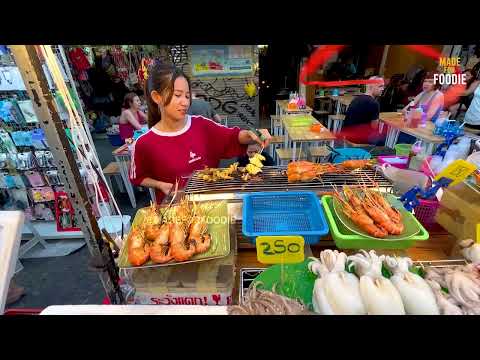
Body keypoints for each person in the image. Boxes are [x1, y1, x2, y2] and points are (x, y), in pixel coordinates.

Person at [129, 62, 271, 203]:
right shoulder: (144, 143)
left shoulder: (201, 125)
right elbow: (138, 177)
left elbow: (233, 136)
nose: (185, 102)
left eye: (187, 96)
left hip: (211, 205)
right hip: (175, 212)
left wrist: (253, 133)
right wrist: (160, 185)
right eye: (178, 95)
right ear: (157, 97)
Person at [340, 76, 385, 144]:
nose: (383, 89)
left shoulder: (356, 99)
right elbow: (374, 127)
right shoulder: (374, 103)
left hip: (347, 135)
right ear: (371, 87)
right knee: (384, 139)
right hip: (360, 139)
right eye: (380, 86)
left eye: (383, 86)